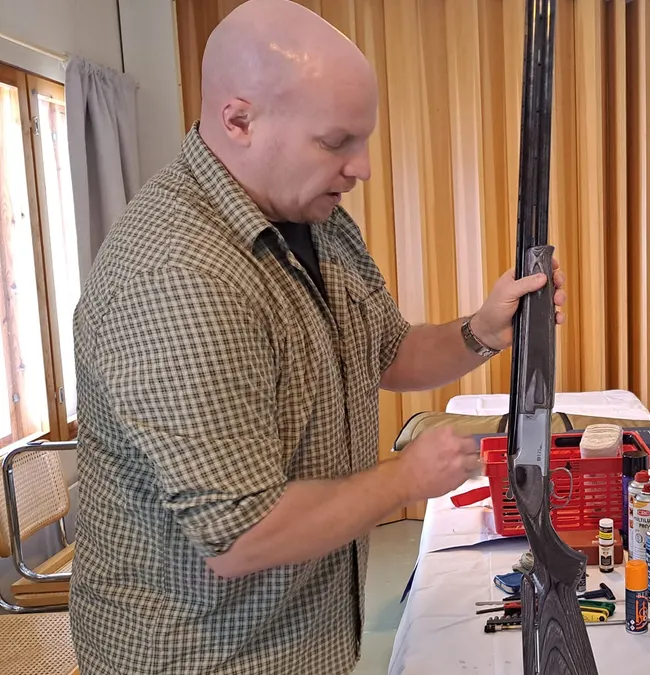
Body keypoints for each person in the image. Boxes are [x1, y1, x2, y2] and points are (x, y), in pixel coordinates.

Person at [67, 1, 566, 673]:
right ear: (239, 120)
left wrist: (481, 330)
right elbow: (242, 535)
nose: (362, 168)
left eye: (362, 141)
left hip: (303, 636)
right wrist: (405, 478)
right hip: (208, 657)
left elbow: (386, 351)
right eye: (336, 143)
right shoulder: (178, 274)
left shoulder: (315, 218)